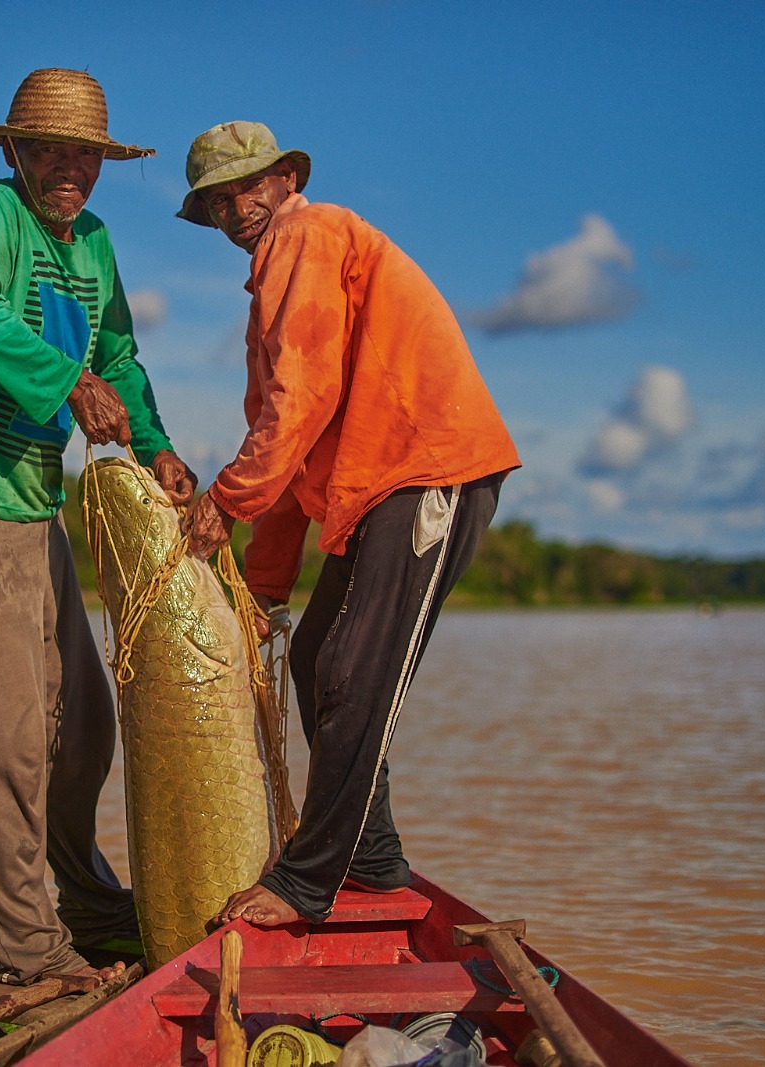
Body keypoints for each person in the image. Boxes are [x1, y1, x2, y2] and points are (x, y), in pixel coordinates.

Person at [176, 122, 520, 928]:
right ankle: (369, 854)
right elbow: (291, 466)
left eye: (248, 187)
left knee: (352, 671)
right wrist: (259, 594)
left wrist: (222, 501)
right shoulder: (271, 294)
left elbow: (302, 404)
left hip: (427, 470)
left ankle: (306, 879)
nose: (237, 208)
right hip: (374, 494)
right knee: (313, 654)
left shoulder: (309, 233)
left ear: (284, 180)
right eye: (219, 202)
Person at [0, 69, 196, 984]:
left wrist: (158, 451)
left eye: (84, 157)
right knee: (9, 741)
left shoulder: (95, 243)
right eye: (50, 153)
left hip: (37, 516)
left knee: (84, 730)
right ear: (15, 153)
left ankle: (88, 905)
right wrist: (66, 383)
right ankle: (27, 949)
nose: (69, 172)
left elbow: (116, 356)